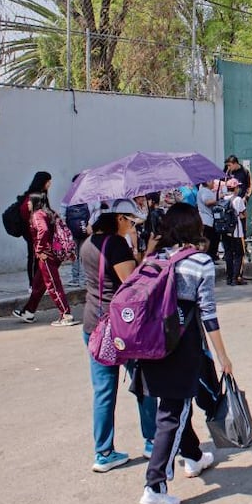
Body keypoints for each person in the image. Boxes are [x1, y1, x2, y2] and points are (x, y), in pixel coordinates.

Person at [130, 203, 233, 504]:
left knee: (175, 404)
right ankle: (155, 485)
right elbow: (208, 315)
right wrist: (223, 356)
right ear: (195, 226)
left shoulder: (154, 258)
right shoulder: (200, 262)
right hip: (181, 347)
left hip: (150, 345)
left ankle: (194, 456)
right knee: (173, 413)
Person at [80, 200, 159, 473]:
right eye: (130, 221)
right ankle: (152, 441)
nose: (131, 226)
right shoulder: (116, 244)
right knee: (144, 383)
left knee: (103, 391)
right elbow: (131, 281)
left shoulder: (88, 243)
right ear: (119, 219)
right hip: (121, 327)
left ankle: (103, 452)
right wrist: (147, 255)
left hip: (93, 322)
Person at [12, 191, 78, 326]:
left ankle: (66, 315)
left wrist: (40, 249)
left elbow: (43, 230)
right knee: (38, 284)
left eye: (30, 201)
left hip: (47, 256)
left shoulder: (37, 215)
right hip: (54, 253)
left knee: (53, 285)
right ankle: (29, 312)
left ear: (36, 202)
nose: (28, 204)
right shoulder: (49, 213)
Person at [19, 171, 53, 285]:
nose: (50, 184)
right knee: (34, 257)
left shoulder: (42, 195)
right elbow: (24, 212)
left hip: (41, 232)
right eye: (48, 181)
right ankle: (33, 283)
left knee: (41, 257)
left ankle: (39, 282)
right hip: (32, 232)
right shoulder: (33, 196)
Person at [221, 184, 247, 286]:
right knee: (239, 254)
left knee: (228, 254)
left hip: (225, 231)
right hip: (236, 231)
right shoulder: (238, 199)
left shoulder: (222, 199)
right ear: (235, 188)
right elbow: (243, 214)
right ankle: (236, 278)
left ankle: (229, 278)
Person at [196, 180, 219, 261]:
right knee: (208, 240)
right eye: (212, 181)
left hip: (207, 220)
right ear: (208, 182)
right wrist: (218, 199)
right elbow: (207, 202)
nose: (214, 183)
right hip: (207, 220)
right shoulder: (205, 191)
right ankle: (207, 258)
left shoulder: (204, 191)